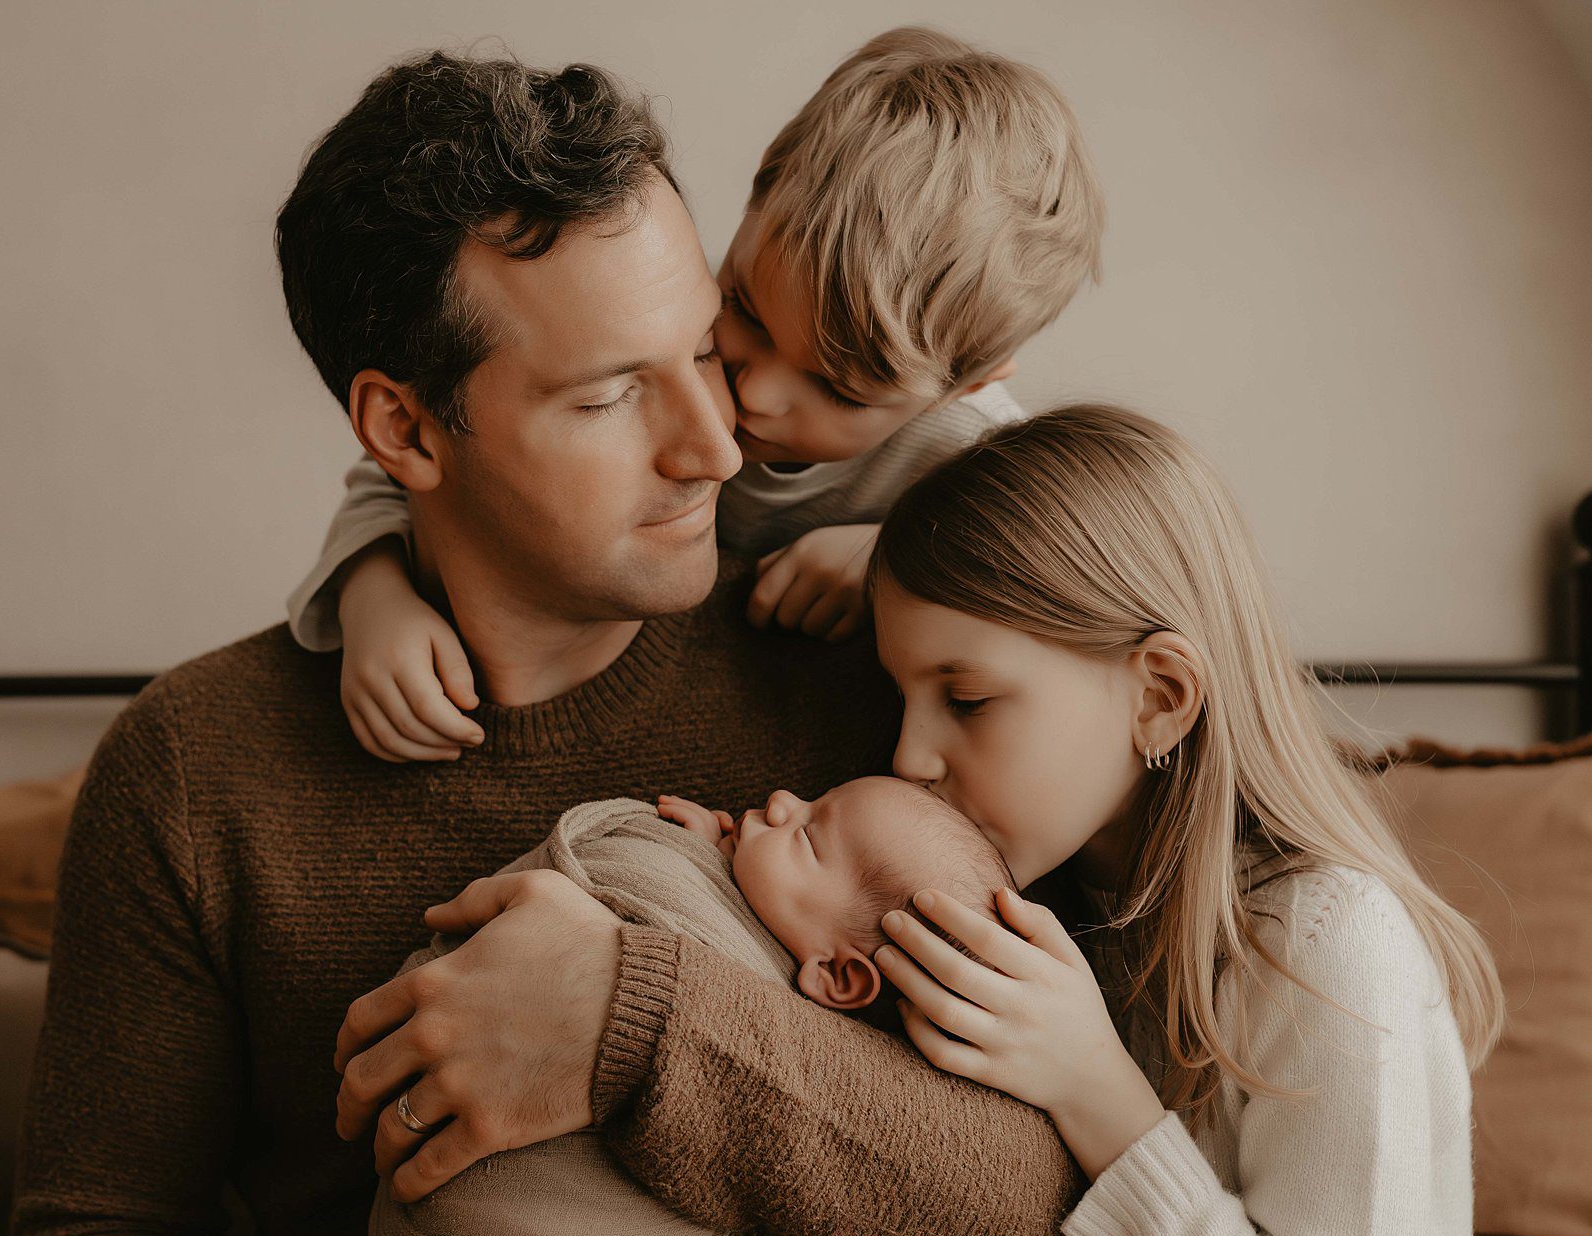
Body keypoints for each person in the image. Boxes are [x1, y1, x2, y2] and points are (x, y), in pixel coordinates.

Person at [11, 47, 1097, 1236]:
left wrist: (636, 1023)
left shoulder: (888, 705)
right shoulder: (192, 768)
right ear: (403, 430)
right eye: (607, 396)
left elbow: (1067, 1218)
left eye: (707, 344)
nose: (718, 440)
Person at [352, 405, 1499, 1236]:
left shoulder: (1327, 939)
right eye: (903, 693)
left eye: (968, 697)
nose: (907, 755)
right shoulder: (1072, 920)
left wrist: (1097, 1091)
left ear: (1157, 695)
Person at [287, 26, 1102, 764]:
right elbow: (387, 486)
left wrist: (905, 553)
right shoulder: (189, 764)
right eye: (737, 316)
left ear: (965, 385)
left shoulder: (976, 459)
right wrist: (372, 594)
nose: (739, 416)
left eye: (836, 388)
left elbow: (1091, 574)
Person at [369, 781, 1012, 1236]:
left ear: (840, 978)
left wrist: (657, 981)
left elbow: (1024, 1207)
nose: (784, 798)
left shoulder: (850, 1065)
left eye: (810, 835)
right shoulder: (689, 879)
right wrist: (701, 871)